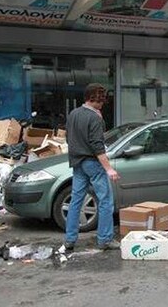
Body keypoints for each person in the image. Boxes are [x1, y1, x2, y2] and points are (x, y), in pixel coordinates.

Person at [63, 83, 121, 251]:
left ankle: (70, 240)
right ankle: (104, 240)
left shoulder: (73, 114)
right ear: (96, 100)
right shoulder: (95, 118)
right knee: (105, 201)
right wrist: (109, 169)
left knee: (76, 201)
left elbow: (69, 139)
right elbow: (97, 146)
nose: (103, 104)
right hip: (92, 163)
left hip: (77, 163)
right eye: (102, 101)